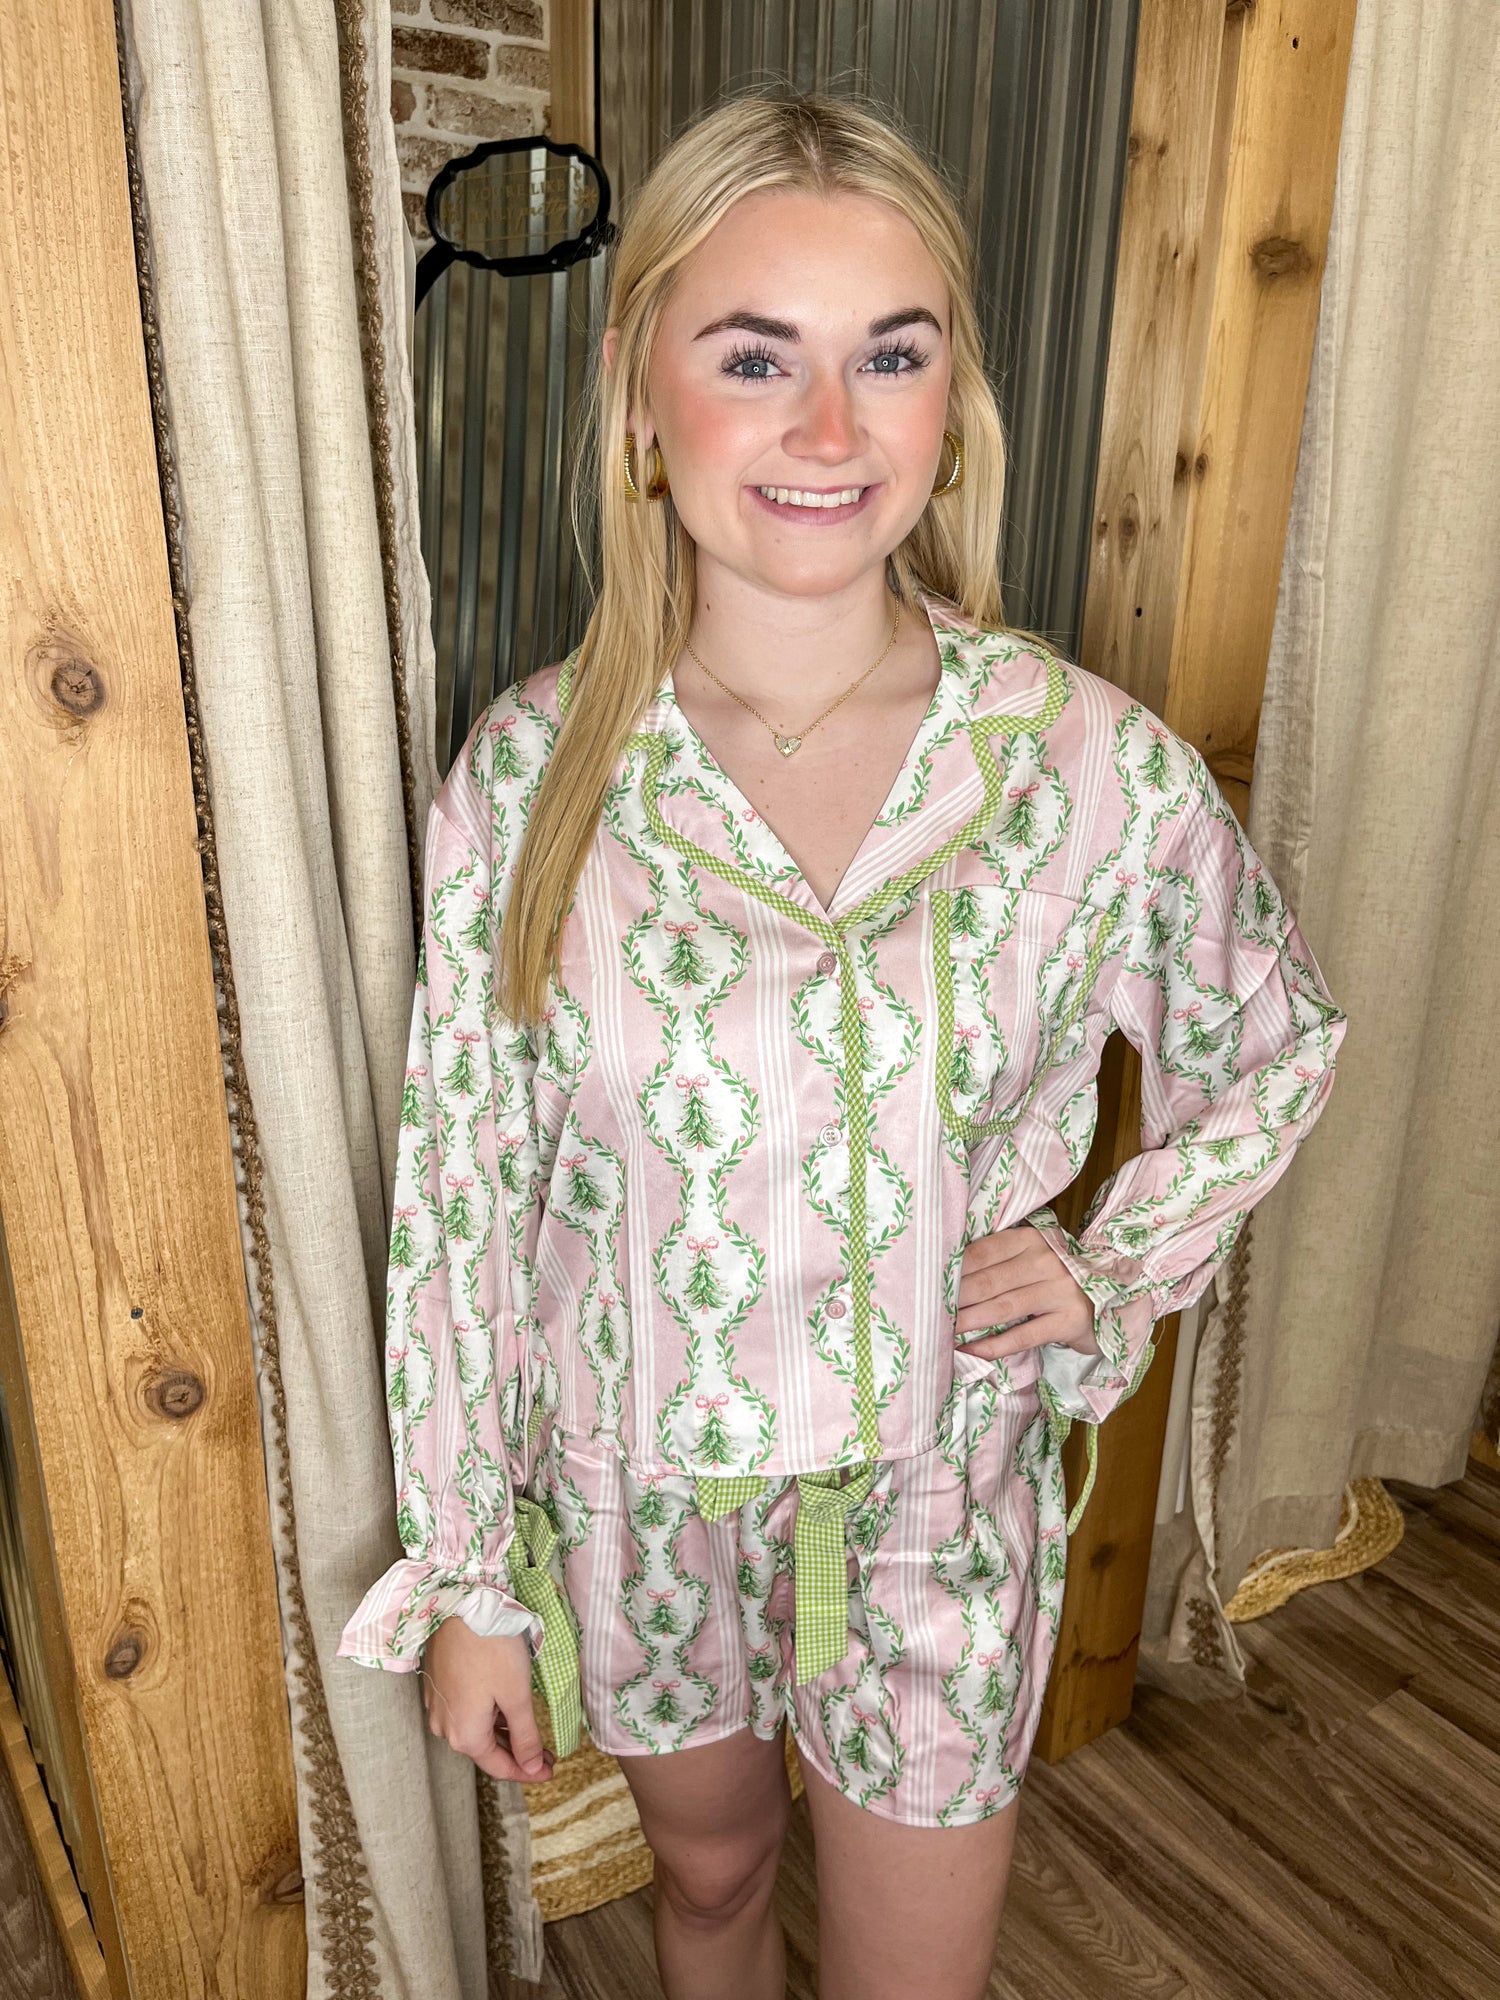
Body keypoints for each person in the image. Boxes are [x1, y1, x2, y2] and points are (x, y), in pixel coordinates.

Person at [338, 90, 1347, 2000]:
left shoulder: (1078, 764)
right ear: (640, 396)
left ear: (952, 402)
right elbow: (467, 1203)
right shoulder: (532, 780)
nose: (829, 430)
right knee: (710, 1889)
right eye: (754, 357)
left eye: (891, 354)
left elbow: (1270, 1039)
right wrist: (471, 1579)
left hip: (939, 1512)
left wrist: (1114, 1258)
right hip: (641, 1507)